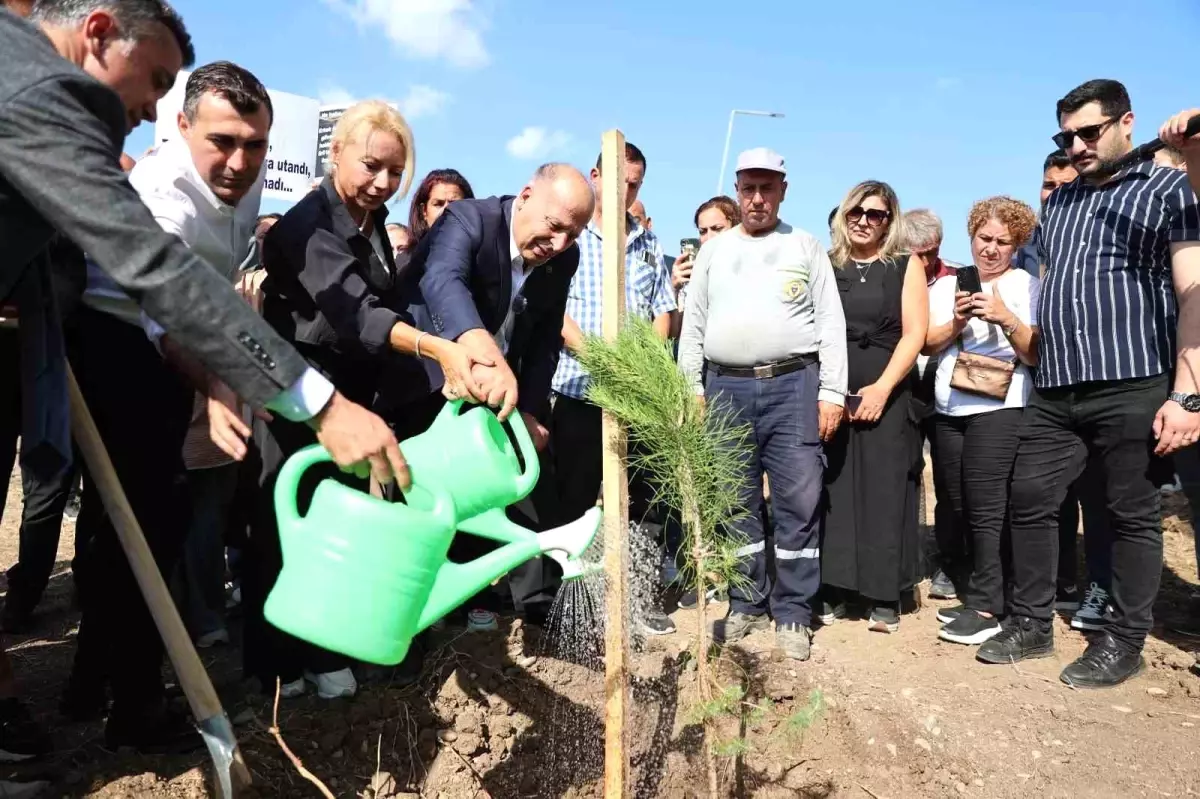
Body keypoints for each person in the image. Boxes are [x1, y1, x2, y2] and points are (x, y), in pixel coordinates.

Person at [977, 81, 1200, 688]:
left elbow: (1192, 291)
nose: (1076, 146)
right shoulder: (1064, 202)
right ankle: (1030, 623)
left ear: (1126, 122)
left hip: (1131, 381)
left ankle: (1123, 642)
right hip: (1057, 384)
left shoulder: (1168, 186)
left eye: (1089, 132)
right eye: (1065, 136)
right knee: (1030, 501)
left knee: (1131, 514)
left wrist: (1187, 393)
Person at [253, 101, 478, 699]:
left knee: (339, 517)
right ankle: (284, 666)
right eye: (370, 166)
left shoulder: (368, 219)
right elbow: (357, 314)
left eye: (395, 172)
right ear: (336, 154)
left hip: (350, 391)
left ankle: (322, 645)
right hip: (299, 392)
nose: (382, 183)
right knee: (290, 520)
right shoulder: (310, 226)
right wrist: (436, 348)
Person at [678, 147, 848, 660]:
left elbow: (831, 324)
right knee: (734, 500)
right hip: (725, 388)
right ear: (737, 190)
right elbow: (695, 324)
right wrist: (692, 387)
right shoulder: (715, 251)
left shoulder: (805, 246)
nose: (757, 198)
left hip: (793, 386)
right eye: (748, 188)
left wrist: (832, 393)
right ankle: (746, 603)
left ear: (782, 191)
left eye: (767, 188)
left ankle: (794, 613)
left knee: (799, 501)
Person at [406, 163, 594, 625]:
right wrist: (483, 350)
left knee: (493, 487)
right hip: (423, 379)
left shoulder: (561, 258)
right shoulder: (470, 220)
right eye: (554, 226)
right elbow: (441, 283)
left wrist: (531, 411)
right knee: (419, 501)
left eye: (574, 234)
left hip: (493, 388)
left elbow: (546, 336)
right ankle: (409, 616)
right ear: (527, 195)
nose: (560, 244)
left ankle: (497, 603)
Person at [549, 142, 676, 634]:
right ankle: (574, 610)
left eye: (636, 184)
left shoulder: (646, 244)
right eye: (620, 179)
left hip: (638, 395)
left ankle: (639, 601)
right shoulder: (572, 238)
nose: (627, 190)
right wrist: (600, 359)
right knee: (576, 501)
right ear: (596, 175)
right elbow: (554, 310)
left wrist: (643, 362)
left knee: (642, 500)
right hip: (582, 390)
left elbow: (662, 309)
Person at [923, 197, 1040, 646]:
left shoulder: (1027, 287)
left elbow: (1032, 353)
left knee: (990, 508)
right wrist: (955, 320)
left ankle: (991, 605)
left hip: (1001, 409)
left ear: (1016, 245)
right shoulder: (946, 287)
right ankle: (976, 591)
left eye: (1002, 242)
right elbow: (928, 346)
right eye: (983, 238)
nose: (990, 249)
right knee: (958, 502)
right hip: (950, 410)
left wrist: (1005, 318)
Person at [820, 180, 928, 634]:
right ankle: (838, 587)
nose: (864, 220)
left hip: (889, 388)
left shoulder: (906, 265)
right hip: (834, 389)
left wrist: (882, 389)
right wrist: (829, 391)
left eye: (876, 214)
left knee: (885, 492)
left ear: (890, 221)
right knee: (835, 489)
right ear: (844, 215)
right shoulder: (826, 266)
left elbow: (915, 333)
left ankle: (885, 593)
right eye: (856, 212)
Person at [902, 208, 959, 601]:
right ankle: (905, 556)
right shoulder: (893, 276)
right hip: (903, 388)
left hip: (945, 390)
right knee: (904, 473)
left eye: (929, 253)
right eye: (914, 254)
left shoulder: (957, 279)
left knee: (951, 482)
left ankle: (951, 563)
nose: (922, 262)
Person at [407, 168, 475, 244]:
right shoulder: (410, 255)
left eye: (455, 204)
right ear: (424, 211)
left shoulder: (485, 254)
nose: (446, 210)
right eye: (438, 204)